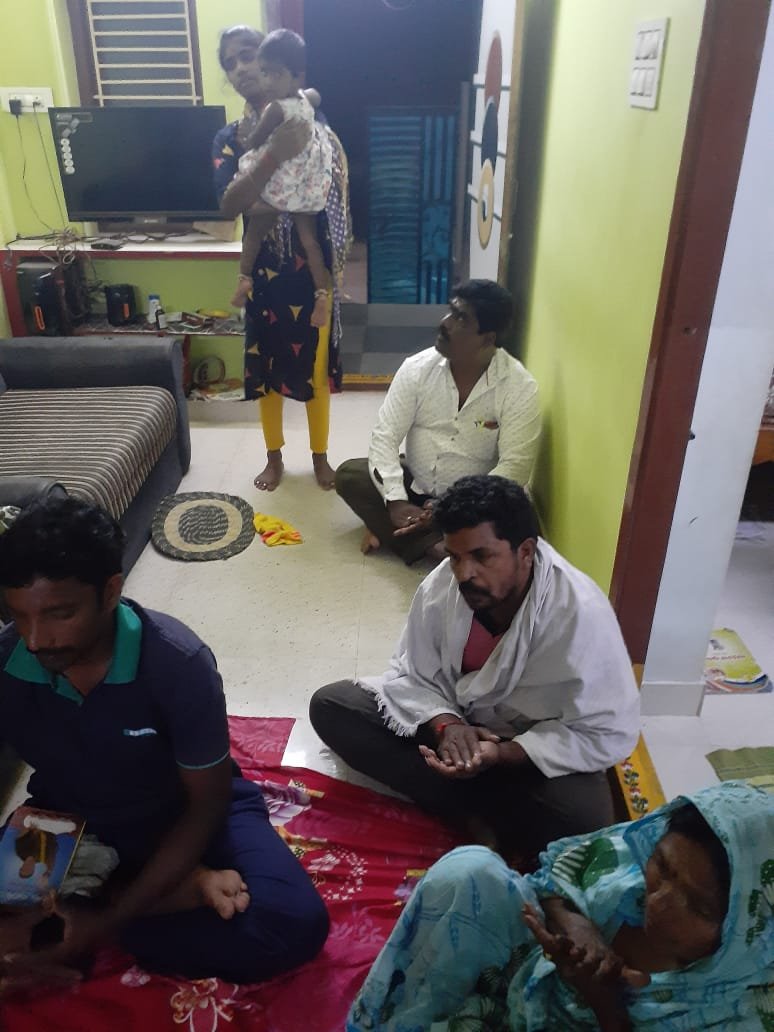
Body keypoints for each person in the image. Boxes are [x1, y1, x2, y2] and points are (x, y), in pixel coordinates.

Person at [0, 497, 329, 992]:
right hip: (67, 816)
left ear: (111, 591)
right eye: (19, 616)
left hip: (181, 818)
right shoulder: (9, 661)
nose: (35, 640)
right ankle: (155, 900)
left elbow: (207, 804)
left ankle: (92, 920)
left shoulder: (177, 663)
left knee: (291, 923)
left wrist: (103, 923)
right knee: (11, 924)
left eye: (59, 614)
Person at [310, 475, 640, 860]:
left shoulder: (581, 616)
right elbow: (412, 673)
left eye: (482, 557)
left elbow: (606, 730)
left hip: (523, 750)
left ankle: (464, 801)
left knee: (585, 821)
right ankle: (480, 811)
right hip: (453, 728)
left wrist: (503, 753)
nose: (464, 573)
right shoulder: (442, 587)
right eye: (455, 556)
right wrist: (447, 726)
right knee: (332, 707)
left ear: (526, 552)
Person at [348, 781, 774, 1031]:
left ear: (747, 929)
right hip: (518, 974)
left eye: (697, 907)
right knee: (470, 871)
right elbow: (553, 874)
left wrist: (603, 1003)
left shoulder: (744, 1009)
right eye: (661, 866)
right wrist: (574, 922)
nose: (659, 902)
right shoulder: (637, 856)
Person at [214, 24, 351, 492]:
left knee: (314, 367)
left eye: (248, 55)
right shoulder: (230, 138)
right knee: (265, 366)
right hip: (263, 272)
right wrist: (274, 156)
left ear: (275, 63)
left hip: (313, 271)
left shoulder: (312, 118)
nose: (241, 68)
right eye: (229, 62)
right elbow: (230, 205)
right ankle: (273, 457)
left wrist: (263, 192)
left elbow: (323, 189)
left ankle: (320, 456)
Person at [334, 279, 541, 563]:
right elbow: (385, 436)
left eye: (460, 319)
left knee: (517, 521)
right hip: (416, 486)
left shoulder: (519, 387)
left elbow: (514, 468)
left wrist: (450, 508)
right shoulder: (417, 369)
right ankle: (444, 548)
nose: (445, 323)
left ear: (487, 339)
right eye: (450, 311)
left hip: (474, 503)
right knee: (349, 475)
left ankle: (417, 538)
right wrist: (396, 501)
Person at [229, 29, 333, 325]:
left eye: (275, 74)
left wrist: (245, 137)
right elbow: (316, 96)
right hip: (306, 183)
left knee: (254, 233)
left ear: (295, 76)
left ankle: (244, 279)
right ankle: (321, 297)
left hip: (280, 183)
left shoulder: (274, 108)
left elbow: (254, 141)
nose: (268, 82)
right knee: (310, 241)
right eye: (264, 73)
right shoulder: (307, 98)